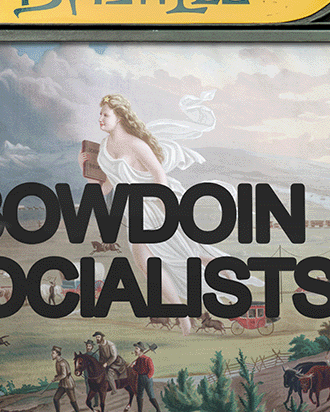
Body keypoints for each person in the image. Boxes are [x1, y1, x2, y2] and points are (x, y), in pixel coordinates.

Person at [79, 93, 257, 336]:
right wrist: (85, 169)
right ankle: (184, 318)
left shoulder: (136, 144)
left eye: (105, 115)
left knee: (190, 251)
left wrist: (162, 207)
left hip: (158, 203)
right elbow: (107, 186)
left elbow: (159, 175)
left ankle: (230, 282)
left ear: (119, 117)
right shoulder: (105, 148)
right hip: (136, 212)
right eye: (100, 114)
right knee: (147, 264)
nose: (100, 119)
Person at [130, 342, 161, 412]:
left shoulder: (147, 359)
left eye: (137, 348)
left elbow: (151, 370)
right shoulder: (138, 360)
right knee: (139, 396)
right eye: (135, 349)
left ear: (141, 350)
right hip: (140, 378)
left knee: (151, 395)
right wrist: (132, 366)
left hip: (147, 379)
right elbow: (137, 369)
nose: (135, 350)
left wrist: (148, 376)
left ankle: (158, 410)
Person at [51, 346, 81, 412]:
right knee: (55, 398)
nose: (52, 354)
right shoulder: (58, 362)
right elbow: (61, 373)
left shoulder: (62, 363)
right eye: (52, 353)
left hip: (68, 383)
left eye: (53, 353)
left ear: (57, 354)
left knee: (73, 400)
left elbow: (64, 375)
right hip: (62, 384)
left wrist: (56, 379)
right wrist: (57, 376)